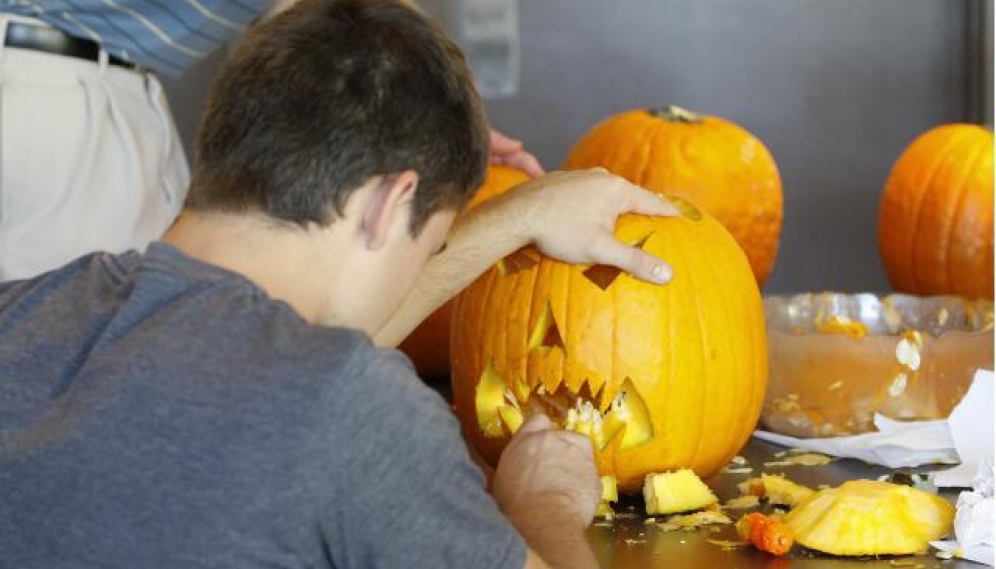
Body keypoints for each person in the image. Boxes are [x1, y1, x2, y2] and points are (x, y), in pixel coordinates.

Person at [0, 0, 676, 567]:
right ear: (388, 204)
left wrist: (516, 210)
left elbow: (268, 354)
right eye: (431, 243)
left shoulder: (21, 312)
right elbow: (314, 373)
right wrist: (545, 503)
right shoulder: (354, 406)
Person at [0, 0, 541, 281]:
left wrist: (425, 120)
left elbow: (329, 24)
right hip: (46, 86)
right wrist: (427, 121)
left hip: (91, 81)